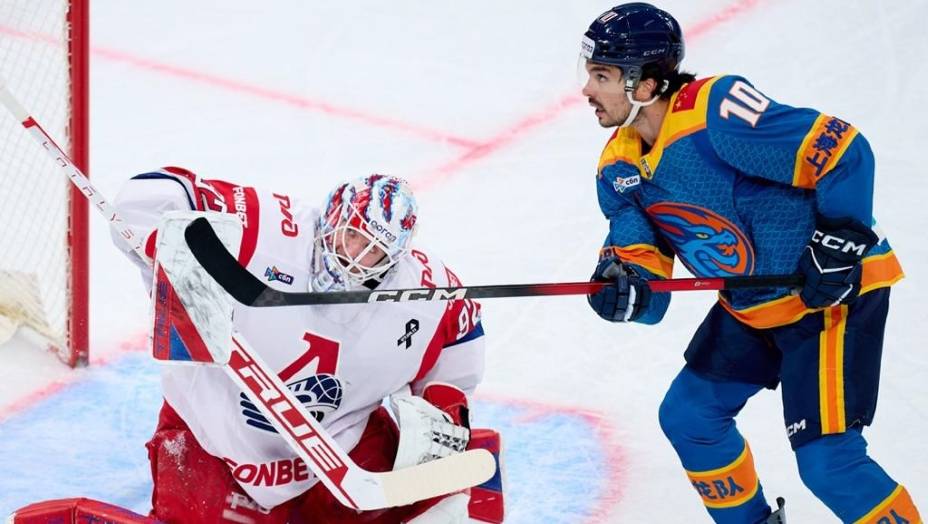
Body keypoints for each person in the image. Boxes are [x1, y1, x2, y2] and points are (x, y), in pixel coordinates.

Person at [579, 3, 920, 523]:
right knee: (691, 417)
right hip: (753, 305)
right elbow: (643, 271)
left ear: (644, 85)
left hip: (830, 300)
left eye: (601, 75)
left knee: (828, 463)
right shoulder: (618, 168)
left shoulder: (714, 113)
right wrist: (624, 287)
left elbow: (842, 149)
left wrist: (841, 239)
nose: (586, 90)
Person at [111, 167, 504, 523]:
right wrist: (170, 243)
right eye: (352, 235)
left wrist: (444, 406)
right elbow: (155, 191)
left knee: (427, 502)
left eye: (375, 251)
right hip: (212, 433)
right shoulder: (265, 226)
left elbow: (460, 326)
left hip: (338, 445)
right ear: (331, 216)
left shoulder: (421, 291)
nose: (356, 259)